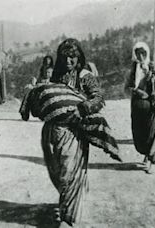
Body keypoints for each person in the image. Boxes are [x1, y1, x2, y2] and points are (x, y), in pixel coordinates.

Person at [41, 38, 107, 227]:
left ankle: (68, 218)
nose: (68, 61)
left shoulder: (85, 76)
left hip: (74, 132)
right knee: (58, 171)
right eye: (64, 57)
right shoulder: (57, 75)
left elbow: (99, 98)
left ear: (79, 58)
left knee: (69, 172)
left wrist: (83, 108)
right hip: (54, 131)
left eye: (72, 57)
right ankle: (66, 207)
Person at [124, 41, 155, 174]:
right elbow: (126, 89)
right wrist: (135, 91)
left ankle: (150, 159)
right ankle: (145, 155)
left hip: (153, 106)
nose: (141, 56)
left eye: (143, 53)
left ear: (147, 53)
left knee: (152, 133)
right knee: (140, 133)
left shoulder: (154, 67)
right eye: (138, 53)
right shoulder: (132, 70)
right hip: (138, 106)